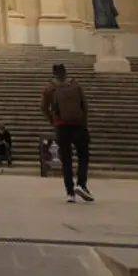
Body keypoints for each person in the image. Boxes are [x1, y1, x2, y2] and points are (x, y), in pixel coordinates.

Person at [42, 63, 94, 203]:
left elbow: (43, 107)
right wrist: (84, 123)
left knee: (66, 160)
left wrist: (53, 120)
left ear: (53, 73)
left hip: (62, 126)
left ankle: (70, 193)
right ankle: (81, 184)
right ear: (65, 72)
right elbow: (85, 105)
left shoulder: (50, 88)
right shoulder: (76, 85)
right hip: (78, 125)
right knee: (83, 156)